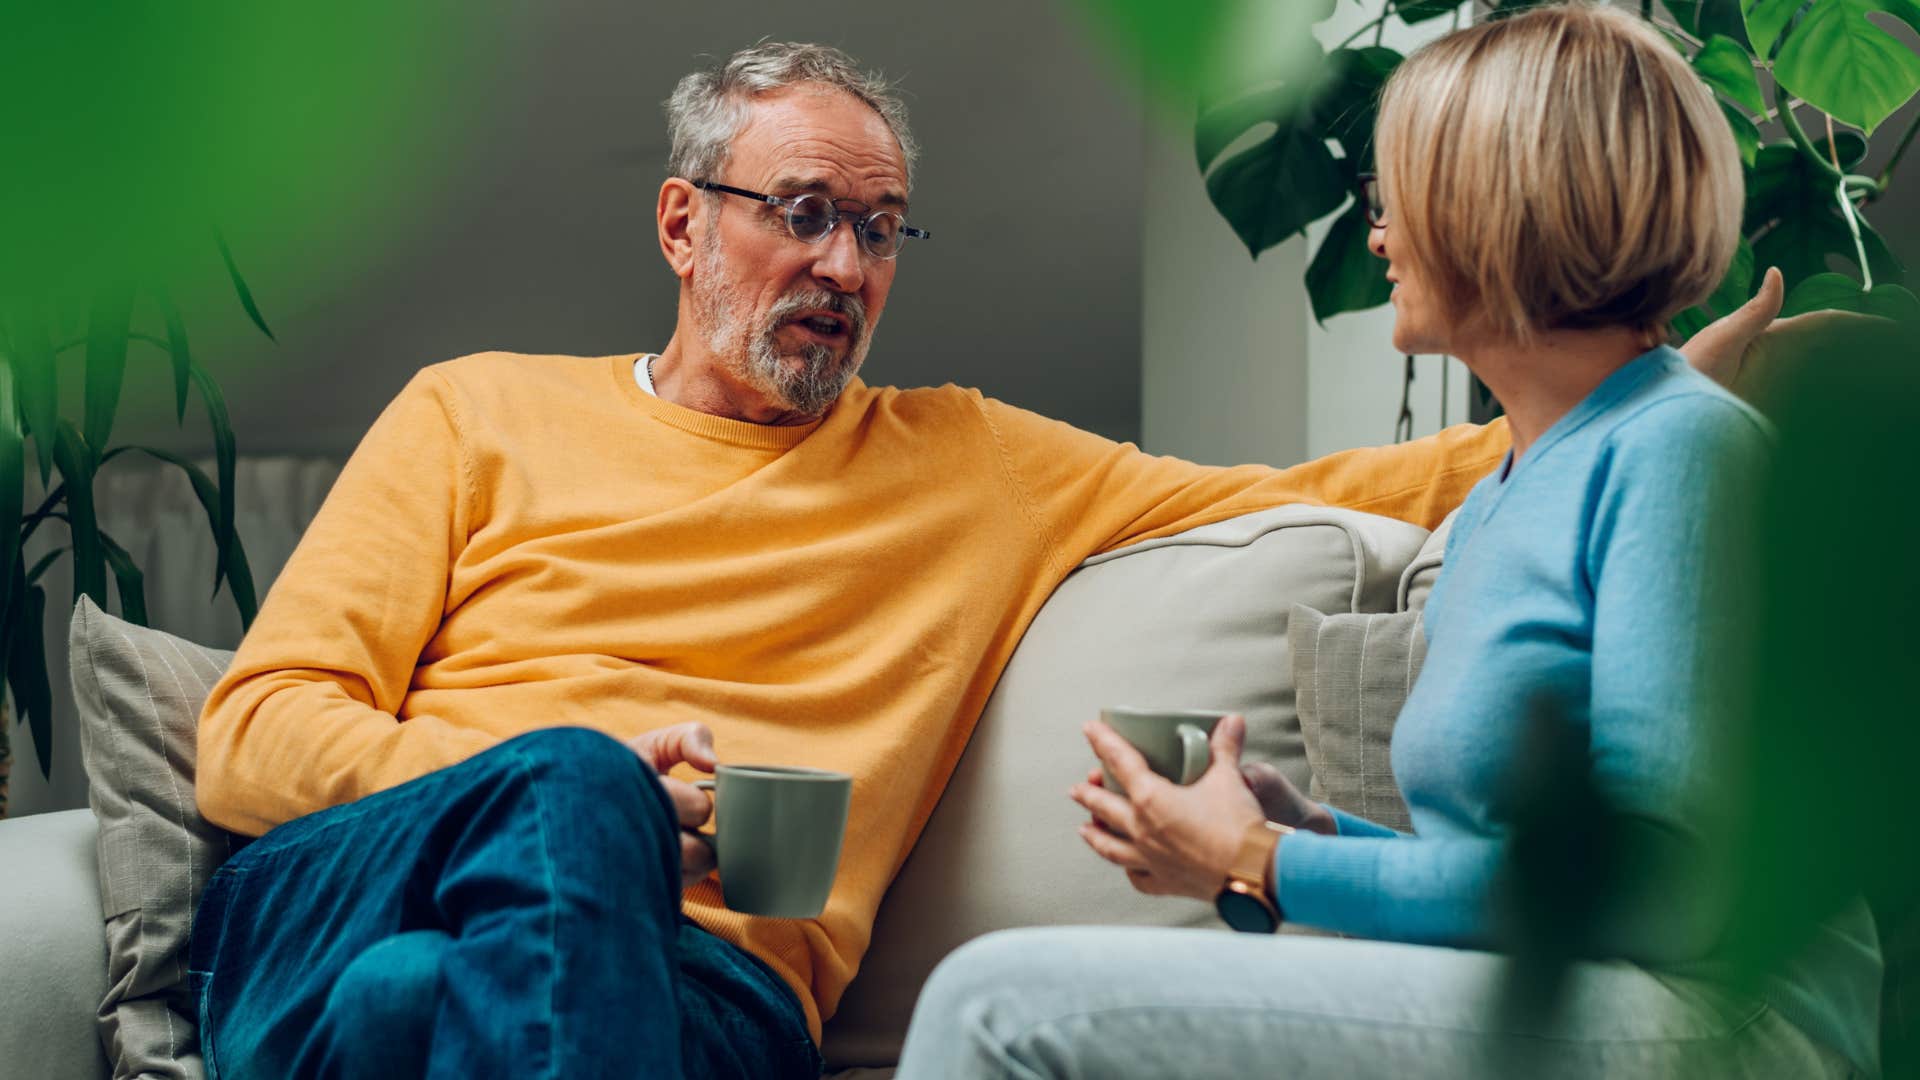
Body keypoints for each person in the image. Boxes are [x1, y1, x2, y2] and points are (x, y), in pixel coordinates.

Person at [188, 38, 1793, 1080]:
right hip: (358, 896)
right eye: (803, 212)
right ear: (683, 225)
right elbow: (249, 739)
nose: (843, 264)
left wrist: (1629, 383)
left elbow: (1322, 483)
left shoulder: (974, 460)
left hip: (706, 1001)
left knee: (415, 1008)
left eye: (880, 230)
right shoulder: (472, 413)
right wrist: (573, 782)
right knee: (548, 814)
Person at [895, 7, 1882, 1078]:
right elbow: (1511, 872)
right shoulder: (1510, 492)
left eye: (1393, 198)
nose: (1377, 236)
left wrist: (1266, 863)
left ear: (1495, 210)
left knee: (995, 1001)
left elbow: (1656, 889)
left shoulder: (1682, 451)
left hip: (1723, 1022)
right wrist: (1309, 835)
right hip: (1585, 992)